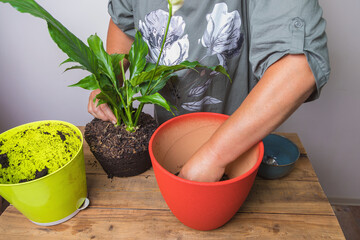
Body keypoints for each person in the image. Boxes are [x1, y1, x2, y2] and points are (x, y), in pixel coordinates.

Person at [88, 0, 330, 182]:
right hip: (165, 141)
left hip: (235, 148)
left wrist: (214, 156)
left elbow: (298, 69)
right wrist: (108, 80)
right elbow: (126, 23)